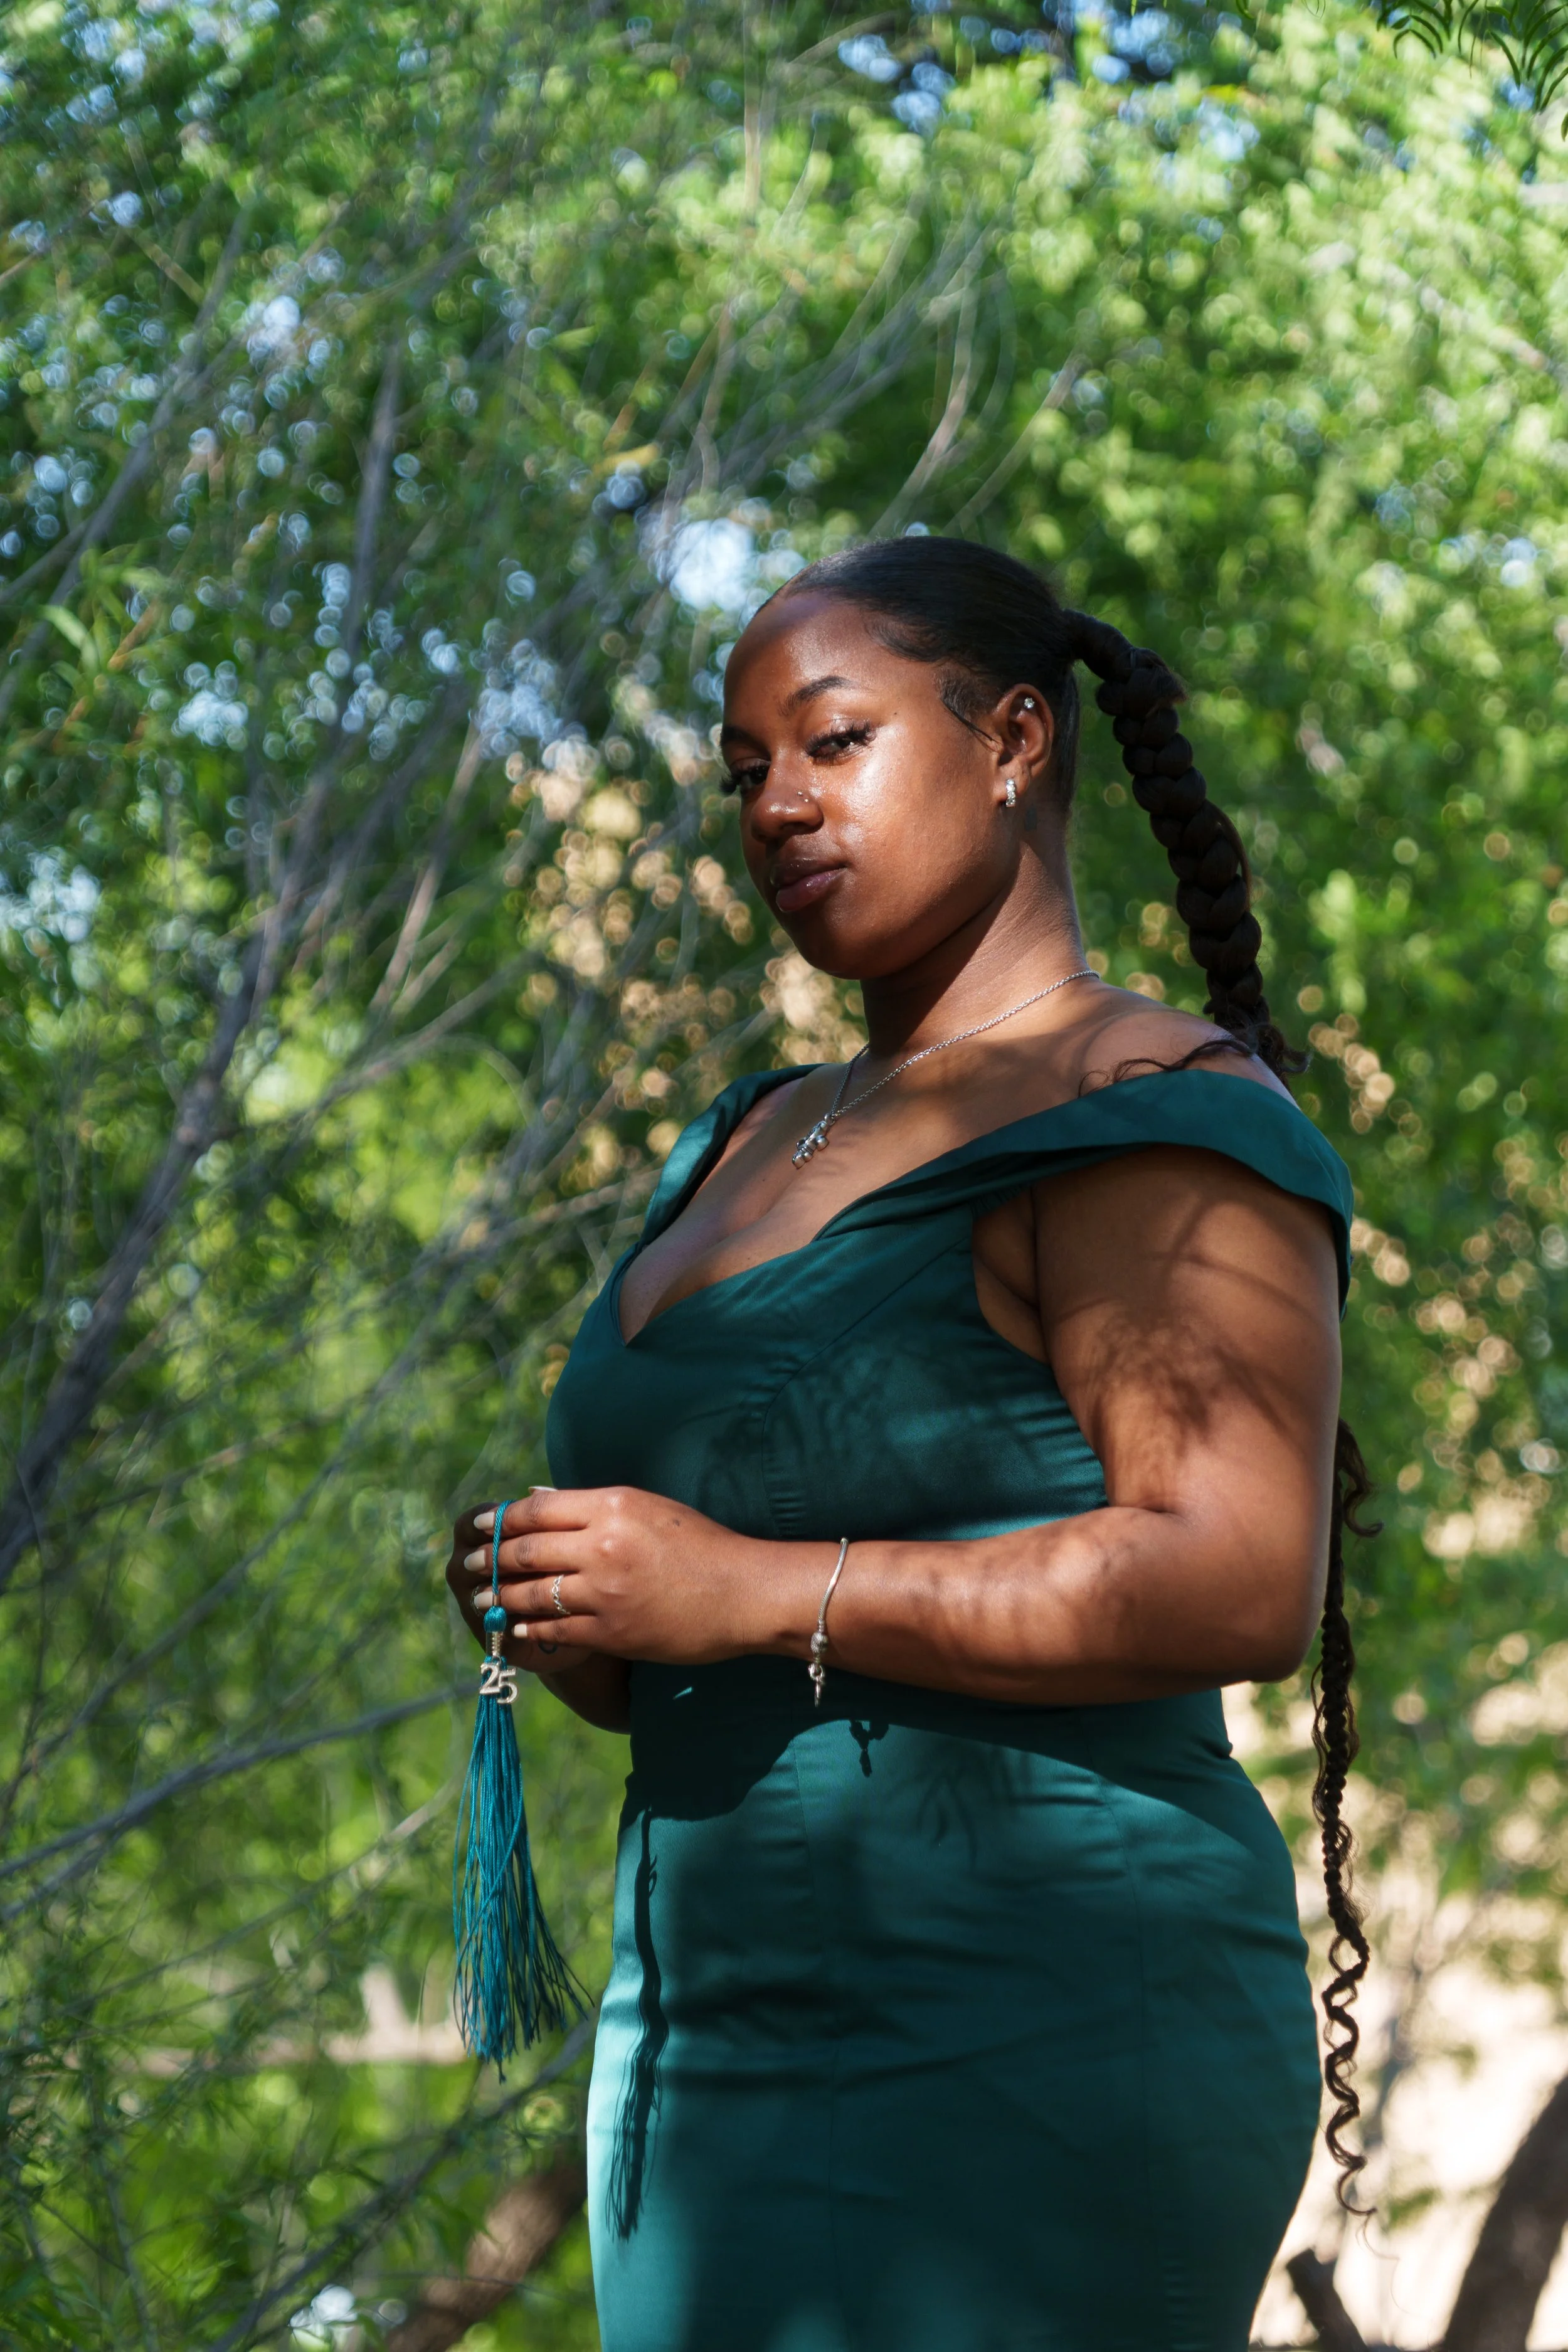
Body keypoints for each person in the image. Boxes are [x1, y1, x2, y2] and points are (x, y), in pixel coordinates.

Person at [446, 538, 1371, 2352]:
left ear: (1012, 737)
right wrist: (581, 1612)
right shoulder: (742, 1137)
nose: (775, 803)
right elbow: (706, 1657)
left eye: (832, 741)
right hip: (708, 2045)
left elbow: (1238, 1574)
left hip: (1037, 2022)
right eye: (742, 770)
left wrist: (732, 1584)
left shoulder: (1142, 1113)